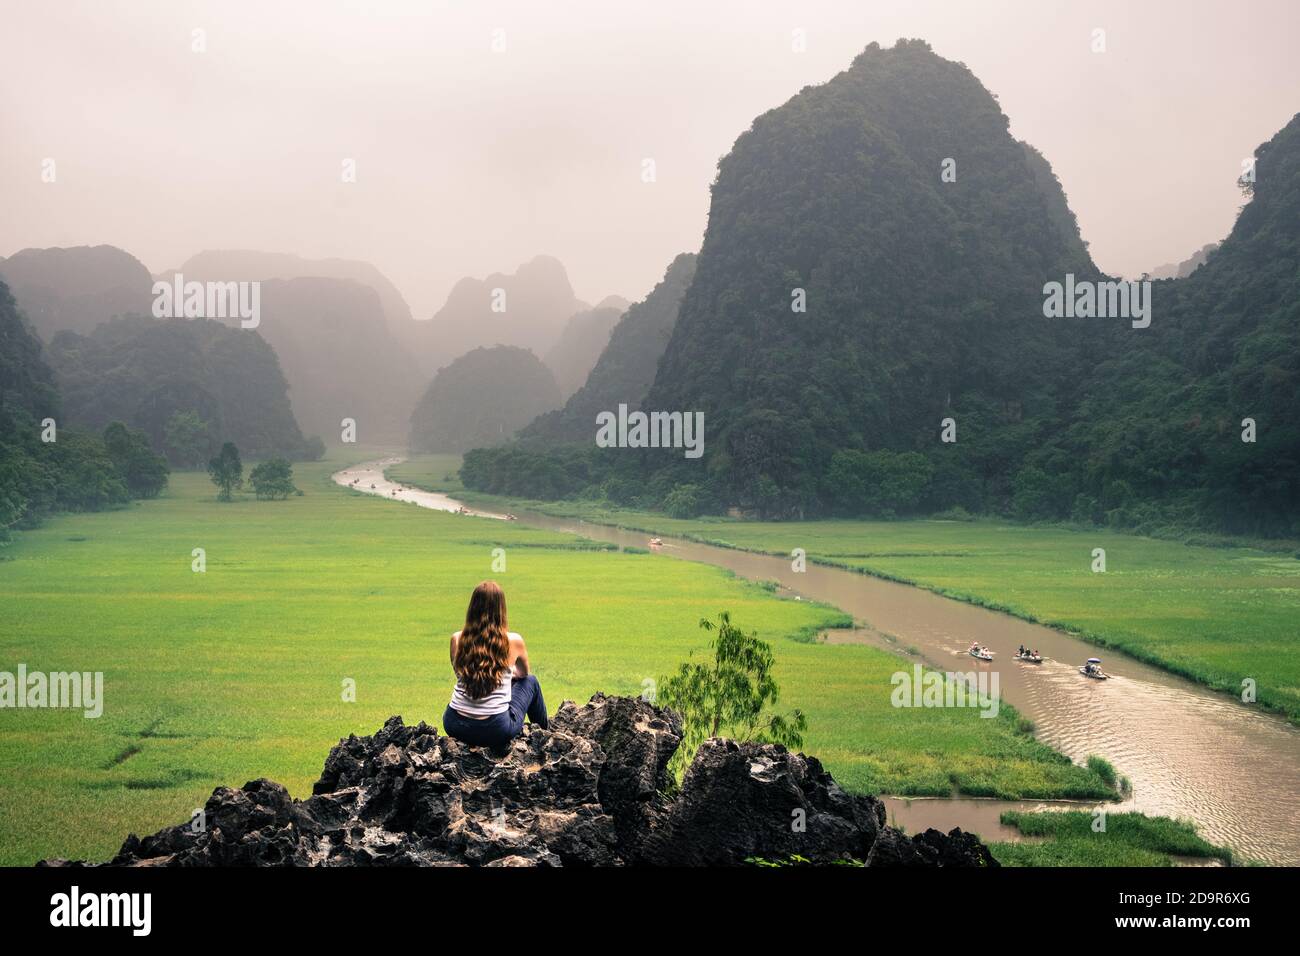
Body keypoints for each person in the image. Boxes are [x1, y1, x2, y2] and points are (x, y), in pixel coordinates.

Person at [442, 580, 547, 748]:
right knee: (531, 682)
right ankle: (544, 737)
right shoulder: (513, 641)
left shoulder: (457, 639)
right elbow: (523, 674)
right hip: (494, 729)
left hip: (455, 724)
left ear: (472, 607)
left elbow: (460, 673)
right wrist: (504, 674)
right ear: (501, 609)